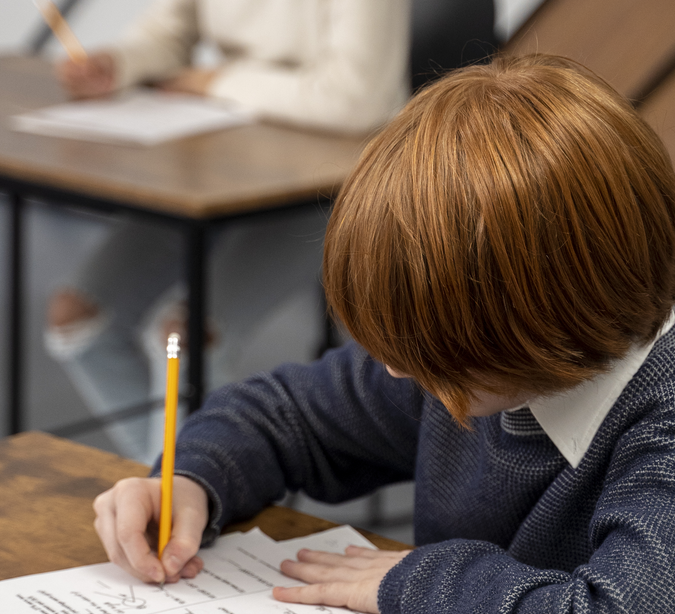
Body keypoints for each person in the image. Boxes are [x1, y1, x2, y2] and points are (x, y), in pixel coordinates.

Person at [92, 54, 675, 614]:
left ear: (541, 323)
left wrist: (414, 580)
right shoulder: (473, 361)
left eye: (429, 353)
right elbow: (288, 413)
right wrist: (193, 477)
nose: (397, 368)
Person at [46, 0, 410, 463]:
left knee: (183, 334)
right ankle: (174, 487)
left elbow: (360, 100)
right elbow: (170, 32)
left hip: (338, 179)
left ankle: (180, 498)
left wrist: (216, 81)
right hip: (226, 154)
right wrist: (118, 64)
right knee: (78, 316)